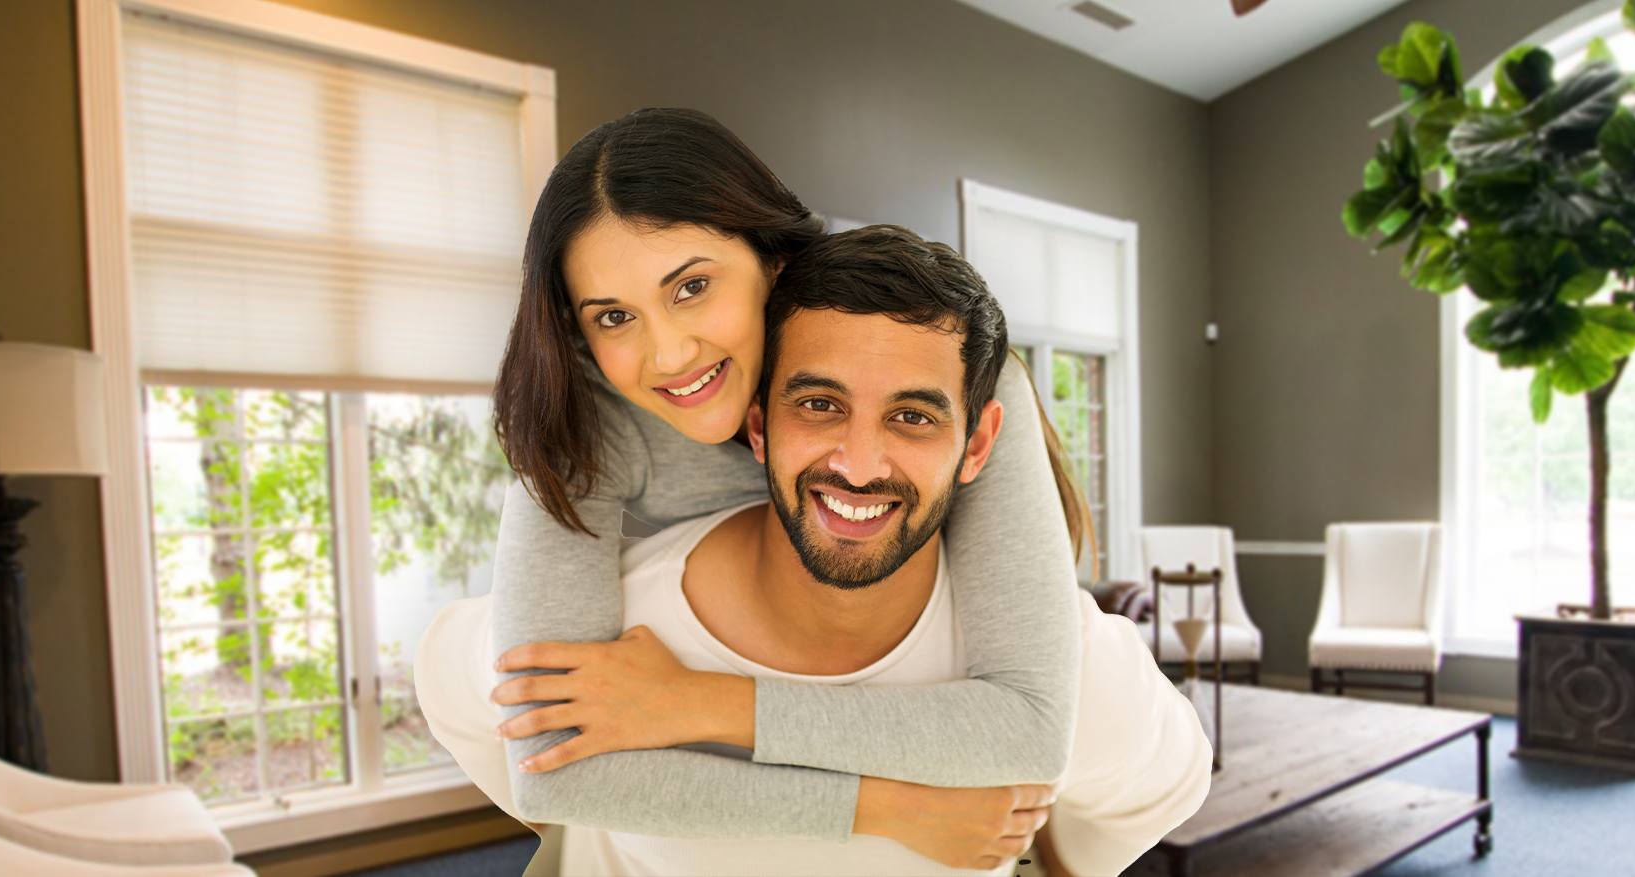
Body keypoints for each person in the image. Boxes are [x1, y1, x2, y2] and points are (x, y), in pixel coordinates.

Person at [418, 225, 1211, 875]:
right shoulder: (608, 634)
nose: (859, 465)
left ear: (980, 445)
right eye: (820, 404)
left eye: (914, 417)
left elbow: (1161, 788)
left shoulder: (1063, 660)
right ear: (757, 425)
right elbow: (467, 693)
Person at [479, 106, 1091, 859]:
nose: (668, 353)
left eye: (692, 286)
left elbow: (1028, 729)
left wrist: (696, 704)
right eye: (613, 316)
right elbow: (554, 770)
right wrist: (883, 806)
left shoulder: (929, 365)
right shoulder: (579, 415)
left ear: (771, 260)